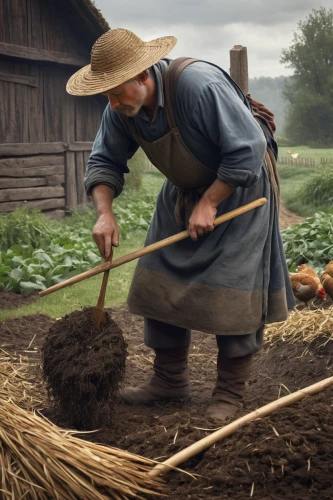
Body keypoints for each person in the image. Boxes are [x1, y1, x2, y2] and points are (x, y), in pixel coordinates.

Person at [66, 28, 295, 423]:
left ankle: (229, 393)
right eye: (106, 94)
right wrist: (105, 212)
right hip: (184, 190)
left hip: (240, 187)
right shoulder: (121, 108)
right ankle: (169, 381)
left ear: (143, 76)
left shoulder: (197, 85)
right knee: (158, 277)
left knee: (233, 287)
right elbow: (104, 161)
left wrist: (210, 201)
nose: (113, 101)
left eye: (117, 91)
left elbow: (247, 149)